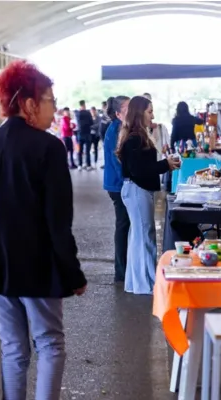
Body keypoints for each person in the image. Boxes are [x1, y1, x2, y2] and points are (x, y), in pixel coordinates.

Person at [0, 60, 87, 400]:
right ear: (29, 103)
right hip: (36, 265)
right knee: (49, 343)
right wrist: (73, 275)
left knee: (13, 347)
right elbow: (57, 222)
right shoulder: (49, 147)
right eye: (49, 99)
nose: (54, 106)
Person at [116, 96, 180, 294]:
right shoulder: (135, 138)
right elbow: (139, 170)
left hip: (137, 189)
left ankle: (138, 283)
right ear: (139, 113)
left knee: (138, 238)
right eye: (149, 111)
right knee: (146, 237)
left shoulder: (137, 135)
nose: (152, 115)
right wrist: (165, 164)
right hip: (138, 189)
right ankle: (150, 284)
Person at [103, 95, 131, 283]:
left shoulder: (122, 128)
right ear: (118, 112)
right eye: (128, 107)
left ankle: (124, 268)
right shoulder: (115, 130)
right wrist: (130, 179)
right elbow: (117, 160)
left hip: (120, 183)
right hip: (117, 185)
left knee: (126, 225)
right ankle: (120, 272)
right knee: (123, 226)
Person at [76, 100, 94, 170]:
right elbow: (91, 123)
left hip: (80, 134)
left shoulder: (77, 113)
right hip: (87, 134)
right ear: (84, 105)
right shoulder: (88, 113)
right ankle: (88, 165)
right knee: (87, 151)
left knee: (80, 151)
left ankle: (80, 165)